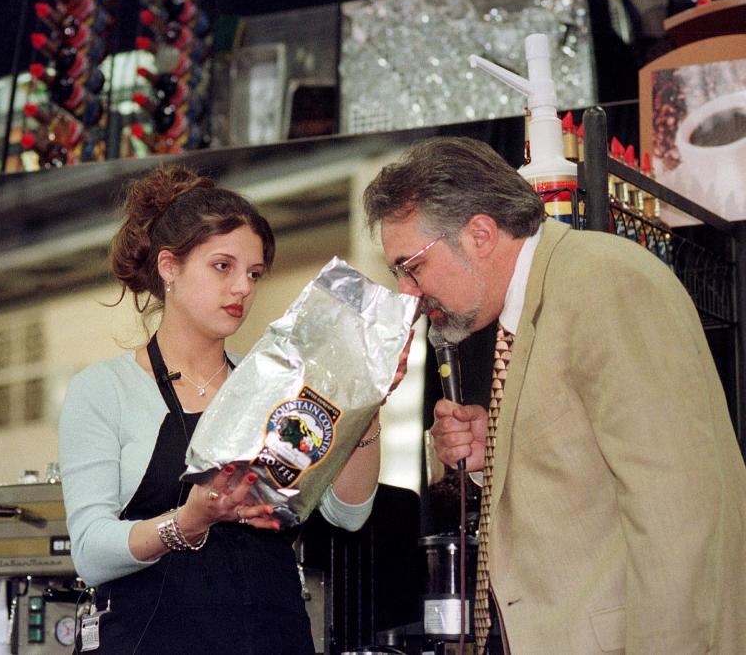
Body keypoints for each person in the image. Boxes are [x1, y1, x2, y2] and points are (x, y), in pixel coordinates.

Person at [363, 136, 746, 654]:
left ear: (479, 233)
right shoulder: (528, 307)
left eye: (413, 266)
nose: (408, 291)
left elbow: (679, 512)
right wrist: (488, 455)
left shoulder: (602, 281)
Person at [59, 165, 388, 655]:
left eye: (253, 274)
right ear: (169, 267)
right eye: (223, 266)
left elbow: (348, 513)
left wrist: (365, 404)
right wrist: (187, 522)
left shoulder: (273, 388)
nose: (242, 289)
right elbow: (91, 552)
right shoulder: (105, 390)